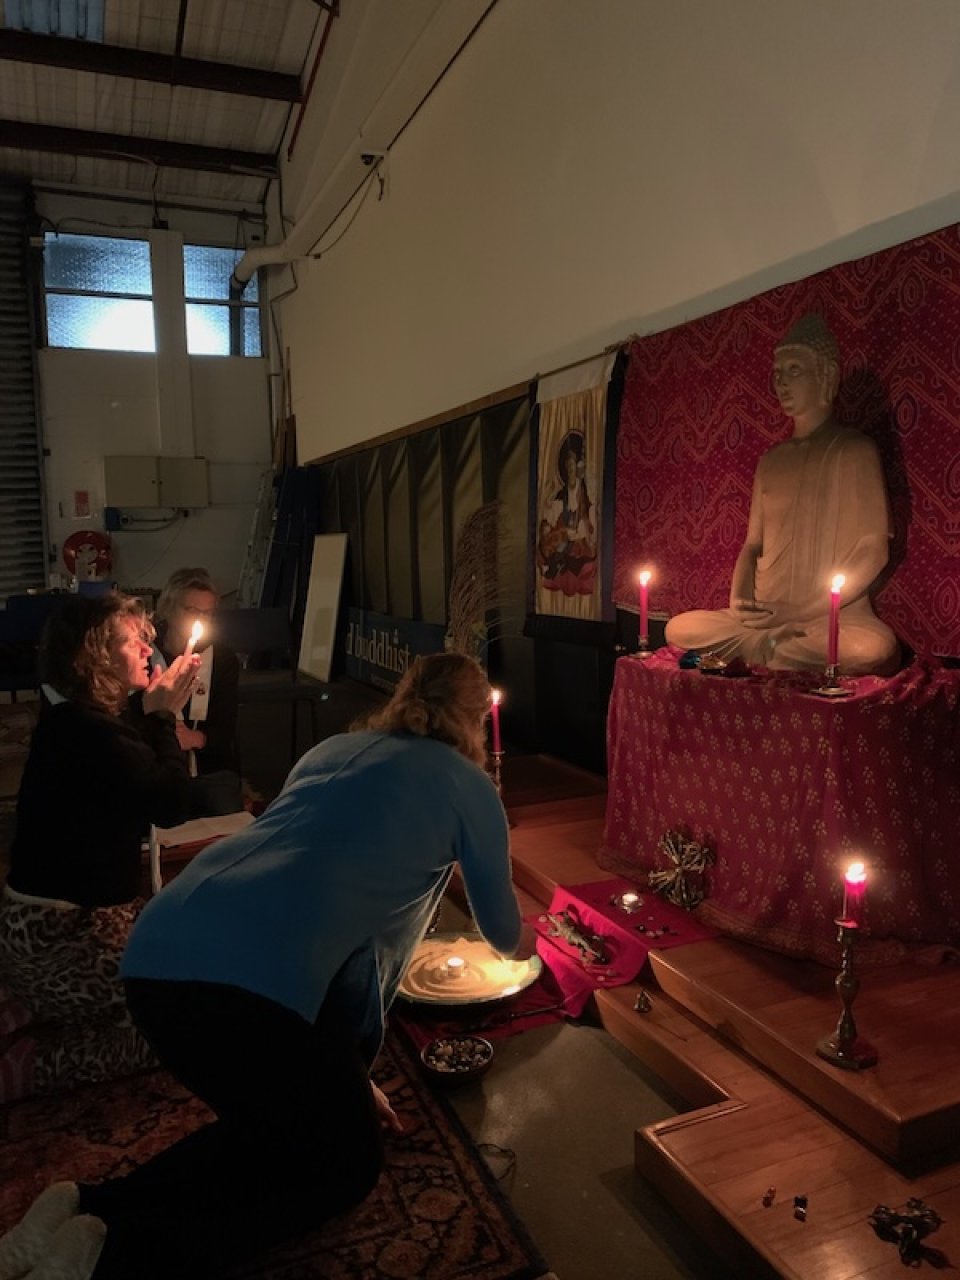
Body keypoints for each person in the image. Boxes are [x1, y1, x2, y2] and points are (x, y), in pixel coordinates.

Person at [0, 653, 528, 1280]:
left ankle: (86, 1208)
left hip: (158, 953)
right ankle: (109, 1259)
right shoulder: (469, 786)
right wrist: (539, 946)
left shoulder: (334, 749)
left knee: (273, 1130)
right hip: (248, 991)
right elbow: (503, 932)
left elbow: (313, 899)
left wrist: (341, 1072)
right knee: (342, 1169)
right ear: (475, 719)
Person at [0, 593, 198, 1099]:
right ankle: (31, 1062)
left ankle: (34, 1003)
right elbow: (170, 802)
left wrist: (149, 709)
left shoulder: (76, 718)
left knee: (188, 967)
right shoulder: (86, 733)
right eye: (131, 640)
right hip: (64, 932)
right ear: (94, 656)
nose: (146, 649)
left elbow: (123, 742)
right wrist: (163, 719)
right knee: (188, 1023)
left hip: (68, 922)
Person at [665, 314, 899, 673]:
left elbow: (873, 549)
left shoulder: (854, 450)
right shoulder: (771, 461)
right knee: (679, 627)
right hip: (764, 615)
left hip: (830, 617)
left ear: (827, 376)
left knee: (872, 648)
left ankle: (754, 650)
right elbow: (752, 545)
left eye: (794, 370)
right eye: (777, 372)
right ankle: (766, 646)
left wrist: (801, 611)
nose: (781, 383)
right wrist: (740, 598)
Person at [153, 567, 242, 816]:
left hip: (209, 766)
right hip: (158, 764)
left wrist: (197, 738)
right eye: (191, 610)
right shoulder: (147, 653)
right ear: (169, 609)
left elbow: (225, 728)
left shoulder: (222, 660)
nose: (199, 619)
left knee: (225, 816)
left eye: (207, 613)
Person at [537, 431, 597, 590]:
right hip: (563, 534)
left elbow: (589, 519)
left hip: (579, 537)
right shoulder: (561, 495)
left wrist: (579, 532)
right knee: (553, 544)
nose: (571, 470)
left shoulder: (584, 493)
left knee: (577, 551)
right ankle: (557, 563)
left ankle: (560, 563)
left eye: (573, 465)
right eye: (568, 466)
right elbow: (552, 516)